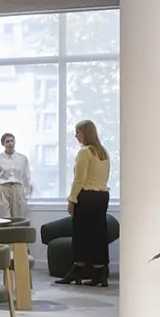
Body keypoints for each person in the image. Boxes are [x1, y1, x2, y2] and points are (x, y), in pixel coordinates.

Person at [57, 120, 112, 286]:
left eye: (78, 132)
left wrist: (72, 199)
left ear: (85, 133)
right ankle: (100, 273)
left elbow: (79, 179)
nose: (76, 136)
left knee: (81, 235)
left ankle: (77, 270)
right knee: (98, 235)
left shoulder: (85, 152)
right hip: (102, 197)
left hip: (87, 197)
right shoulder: (103, 152)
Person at [0, 132, 32, 220]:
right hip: (2, 189)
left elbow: (26, 176)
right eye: (7, 141)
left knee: (18, 219)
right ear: (3, 144)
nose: (10, 143)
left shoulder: (22, 158)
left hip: (17, 189)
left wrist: (26, 194)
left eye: (12, 141)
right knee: (3, 219)